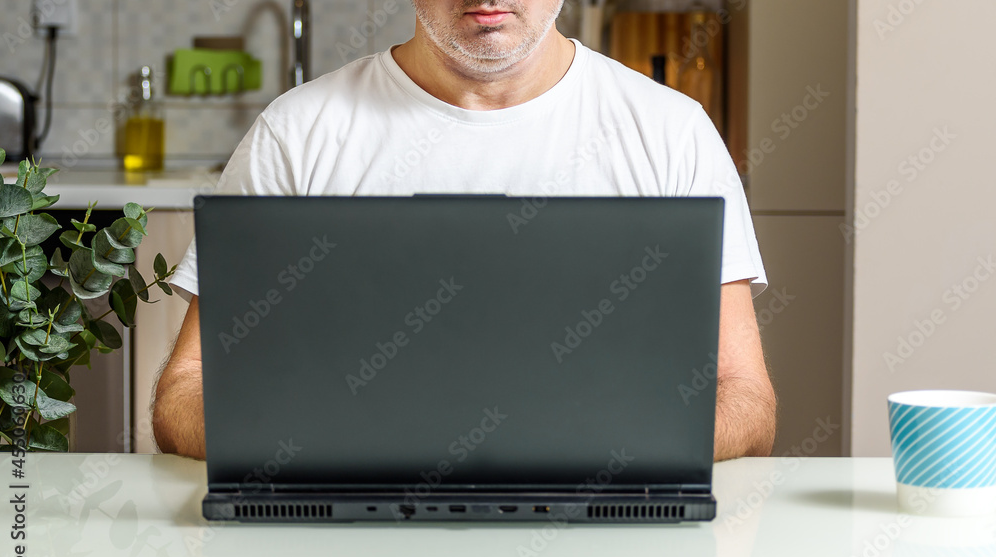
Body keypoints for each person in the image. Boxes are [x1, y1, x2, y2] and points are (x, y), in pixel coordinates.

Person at [152, 0, 777, 461]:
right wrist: (323, 456)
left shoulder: (672, 133)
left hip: (605, 538)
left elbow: (745, 397)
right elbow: (186, 391)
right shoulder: (296, 135)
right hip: (352, 546)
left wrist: (605, 460)